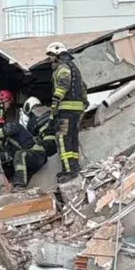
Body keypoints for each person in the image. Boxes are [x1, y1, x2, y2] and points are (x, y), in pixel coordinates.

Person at [48, 42, 88, 182]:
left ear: (57, 54)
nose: (50, 59)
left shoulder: (63, 67)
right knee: (72, 139)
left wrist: (55, 103)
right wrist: (84, 103)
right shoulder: (75, 68)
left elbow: (64, 83)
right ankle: (75, 167)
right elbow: (83, 87)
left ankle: (68, 171)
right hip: (76, 110)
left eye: (51, 56)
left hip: (65, 109)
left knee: (62, 138)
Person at [0, 115, 48, 187]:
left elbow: (7, 130)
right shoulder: (6, 143)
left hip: (37, 154)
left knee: (20, 154)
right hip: (28, 163)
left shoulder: (13, 125)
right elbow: (9, 156)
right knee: (8, 168)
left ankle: (19, 185)